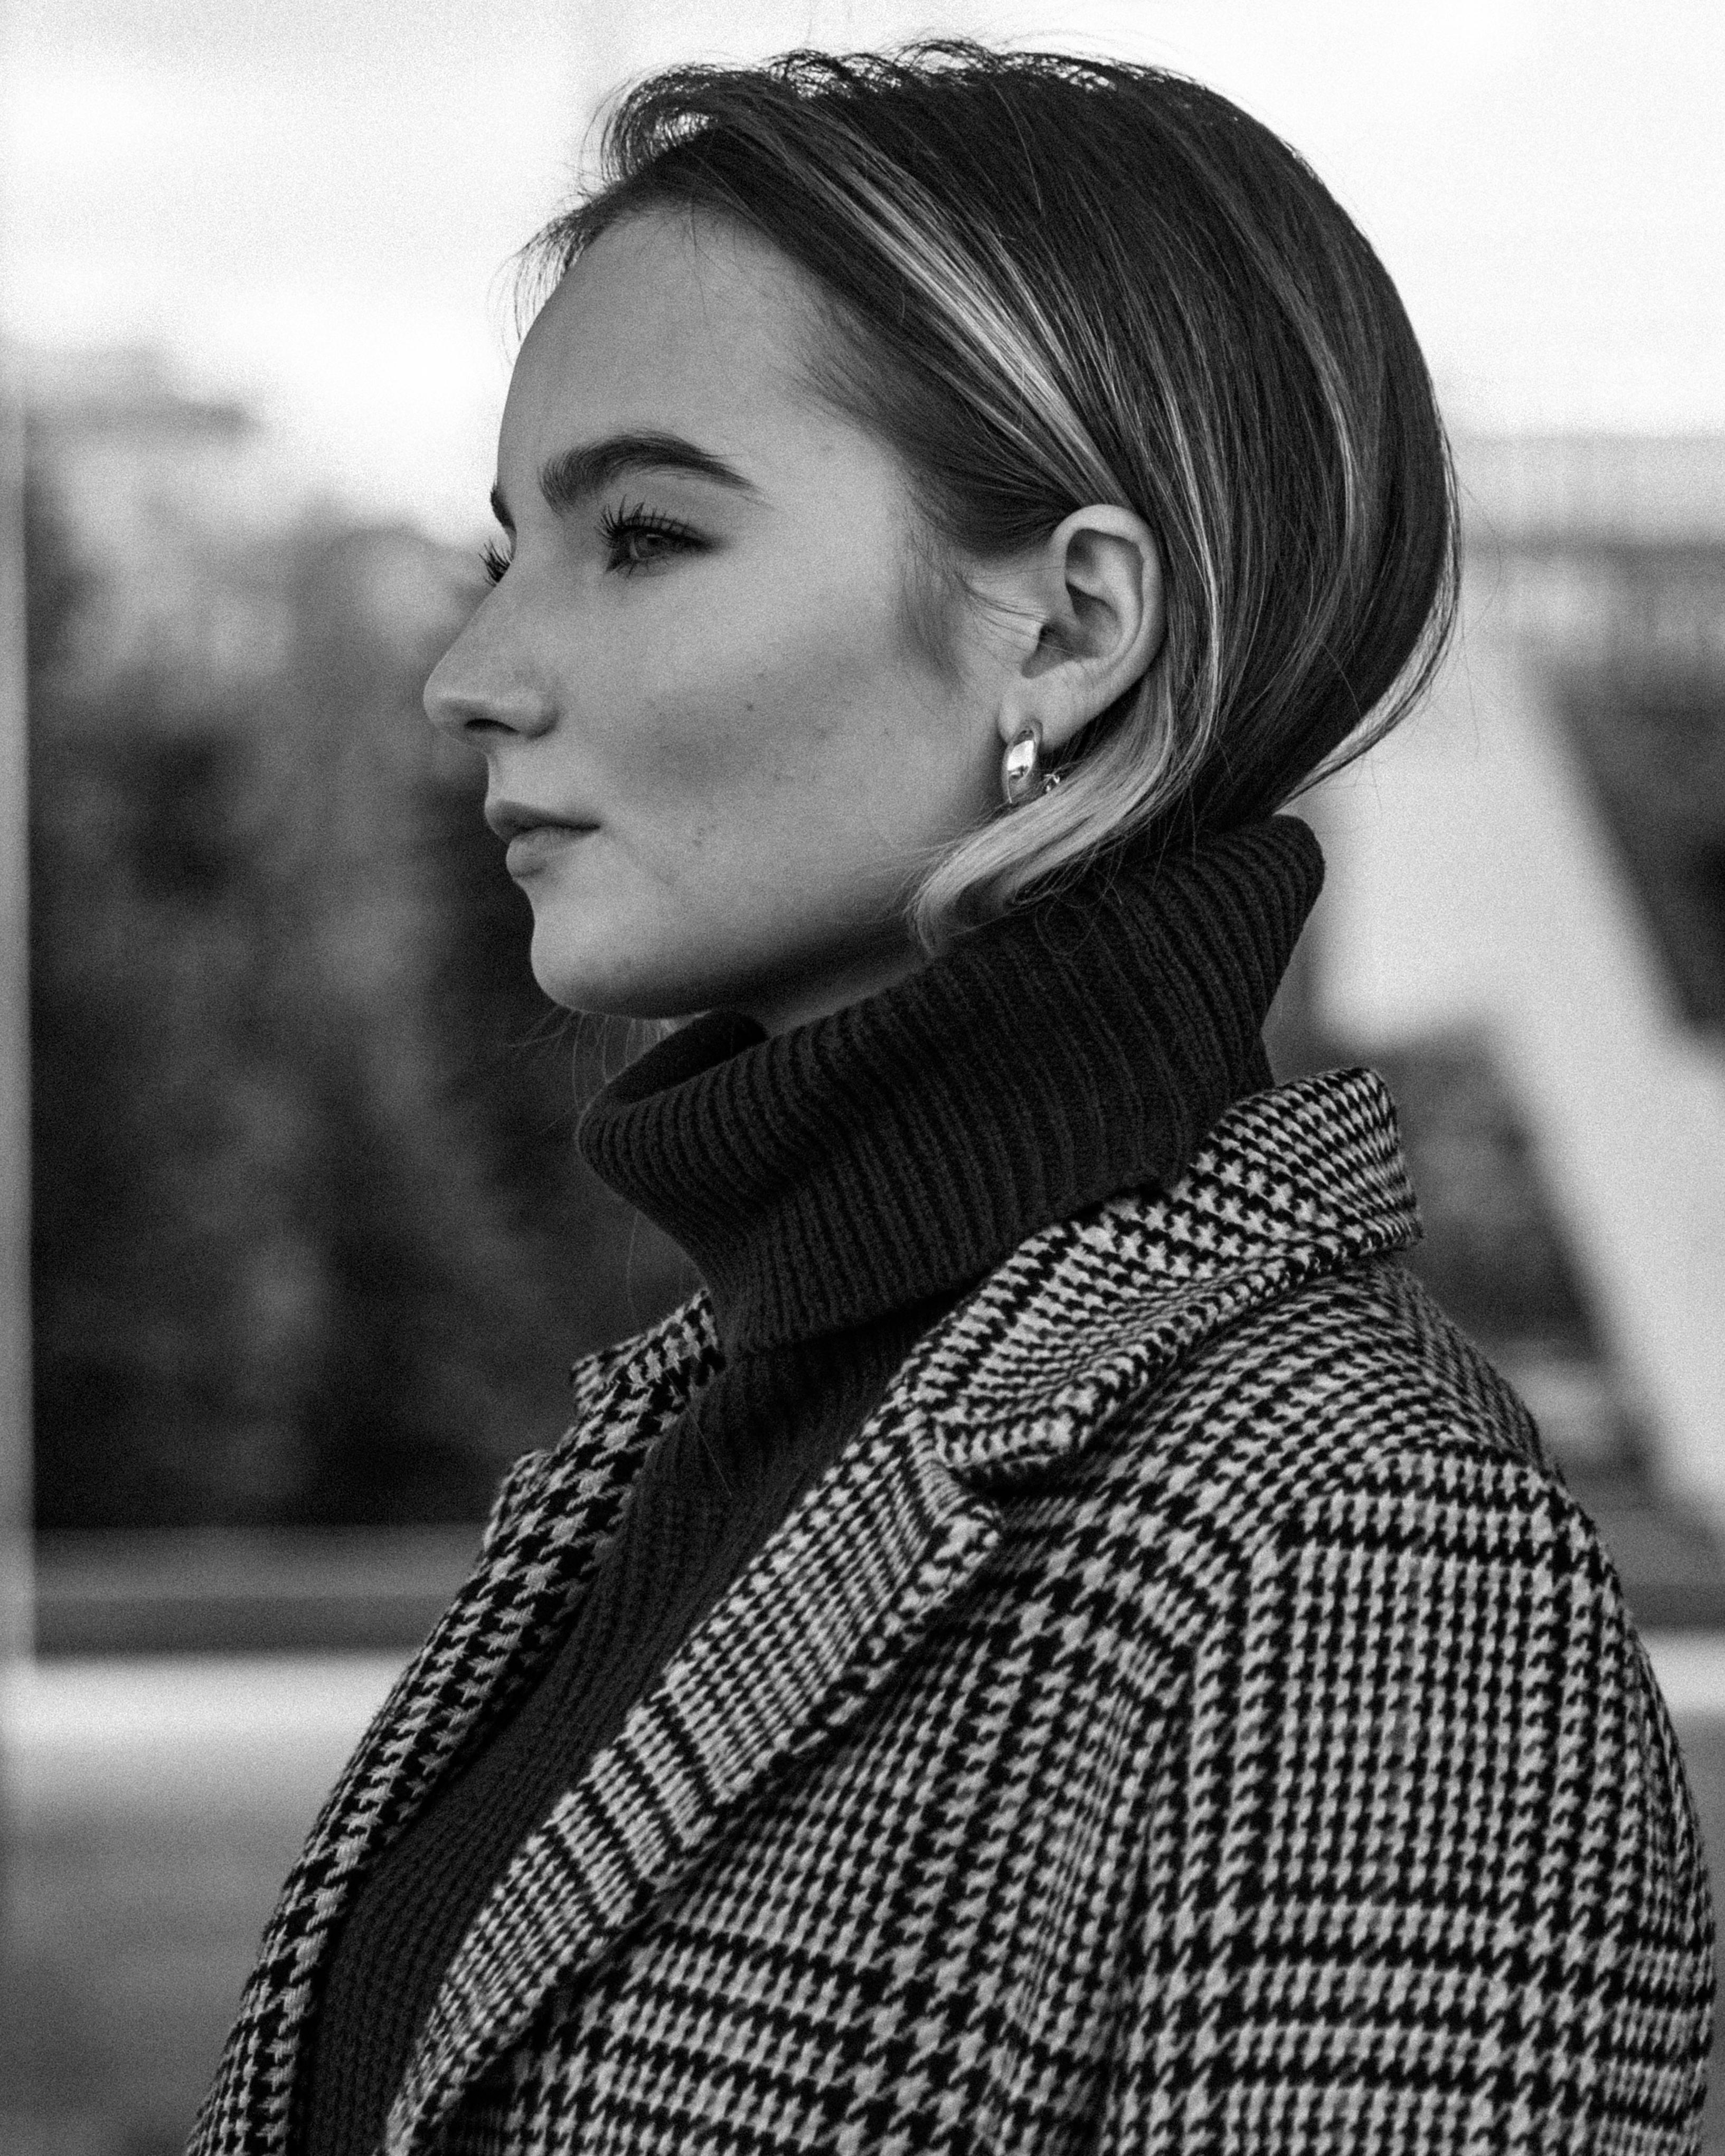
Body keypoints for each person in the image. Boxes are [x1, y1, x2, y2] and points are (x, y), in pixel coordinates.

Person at [192, 43, 1713, 2156]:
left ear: (1070, 629)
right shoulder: (677, 1447)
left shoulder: (1347, 1545)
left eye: (644, 537)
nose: (475, 675)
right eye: (505, 549)